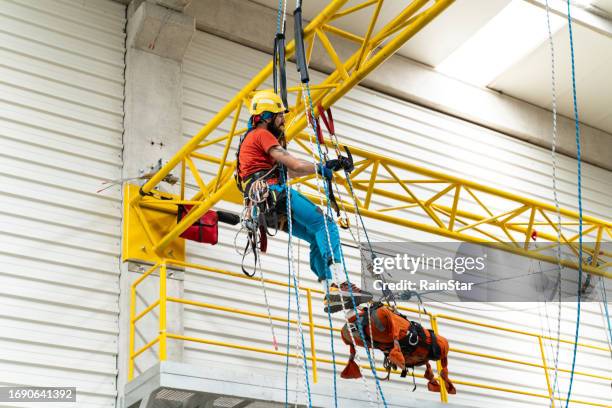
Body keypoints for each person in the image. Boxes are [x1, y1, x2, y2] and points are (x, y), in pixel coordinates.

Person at [236, 90, 373, 313]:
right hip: (274, 194)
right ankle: (338, 283)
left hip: (261, 207)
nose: (283, 120)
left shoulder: (249, 142)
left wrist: (327, 167)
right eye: (280, 115)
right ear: (268, 115)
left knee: (313, 235)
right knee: (326, 225)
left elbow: (289, 172)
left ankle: (331, 288)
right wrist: (321, 167)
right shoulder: (263, 135)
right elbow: (296, 165)